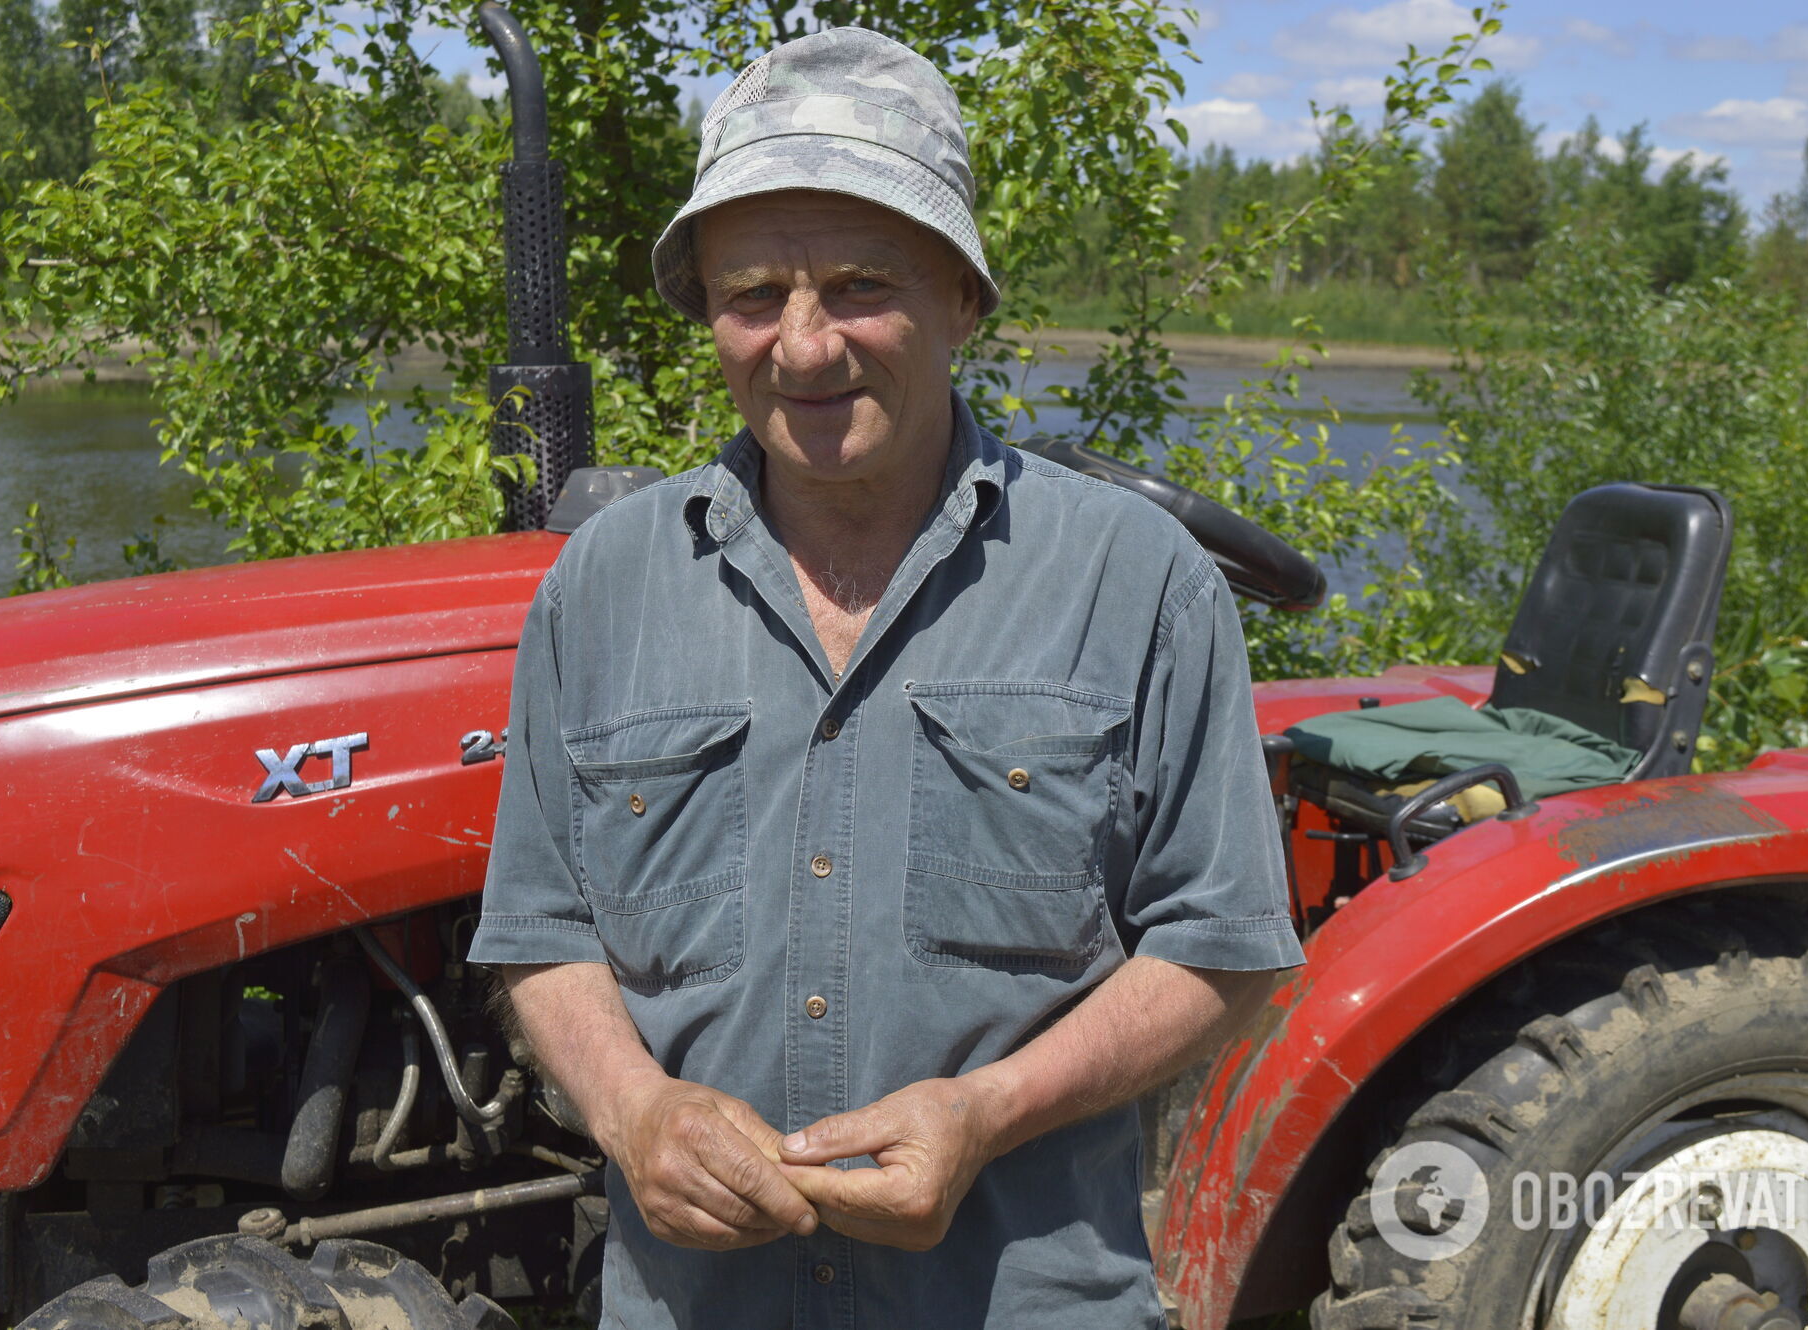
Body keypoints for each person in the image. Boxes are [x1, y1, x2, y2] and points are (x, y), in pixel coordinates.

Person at [466, 26, 1304, 1329]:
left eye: (859, 285)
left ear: (962, 296)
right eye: (753, 297)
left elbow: (1226, 945)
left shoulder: (1133, 579)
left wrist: (988, 1112)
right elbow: (540, 929)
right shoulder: (605, 586)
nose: (802, 348)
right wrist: (634, 1113)